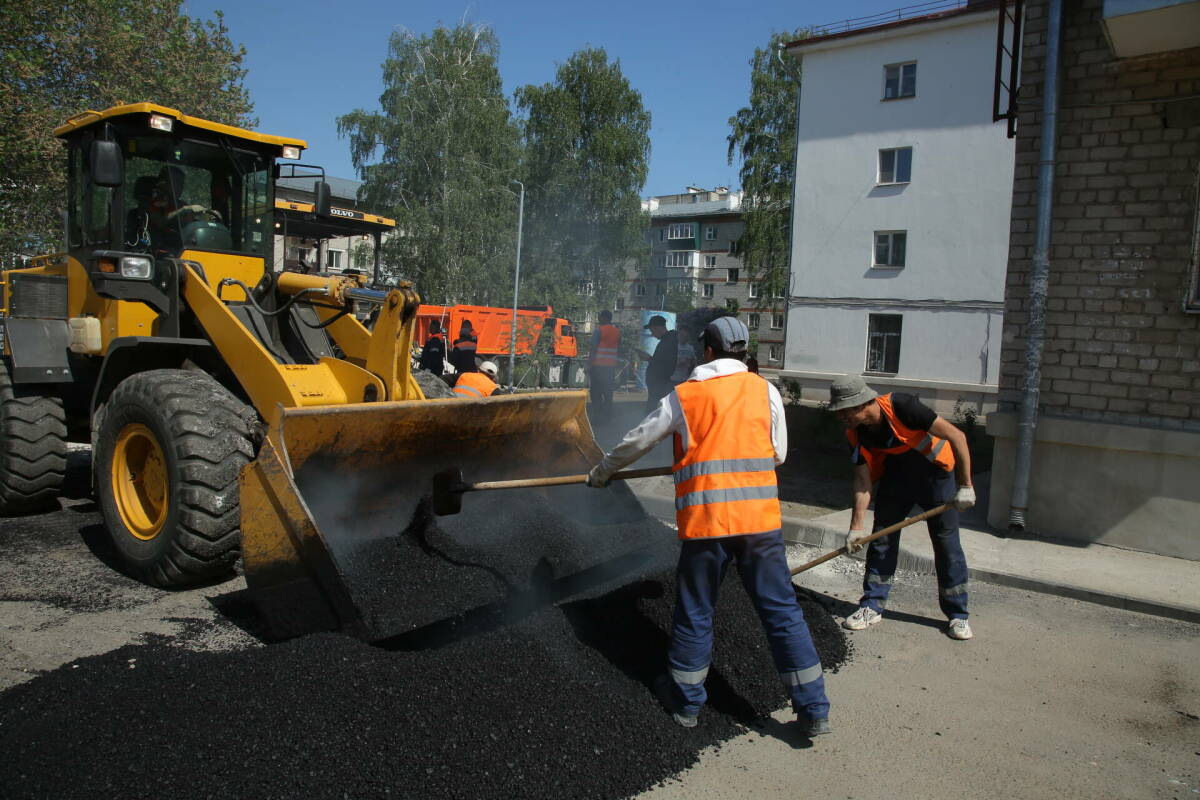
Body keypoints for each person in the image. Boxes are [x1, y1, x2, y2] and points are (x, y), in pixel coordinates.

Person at [586, 316, 832, 737]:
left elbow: (640, 438)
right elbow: (778, 454)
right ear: (743, 351)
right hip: (759, 525)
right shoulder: (765, 390)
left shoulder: (687, 396)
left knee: (697, 611)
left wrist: (604, 469)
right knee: (781, 610)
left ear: (708, 351)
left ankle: (686, 705)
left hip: (708, 524)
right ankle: (813, 709)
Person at [828, 375, 976, 641]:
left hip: (936, 476)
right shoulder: (855, 433)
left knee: (946, 544)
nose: (840, 417)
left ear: (861, 404)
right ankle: (871, 606)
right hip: (897, 478)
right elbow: (862, 482)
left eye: (842, 411)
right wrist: (856, 529)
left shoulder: (903, 406)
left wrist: (965, 485)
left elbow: (958, 436)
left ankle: (958, 615)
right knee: (882, 539)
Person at [588, 310, 620, 421]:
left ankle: (597, 416)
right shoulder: (617, 331)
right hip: (610, 367)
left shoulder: (599, 331)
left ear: (604, 318)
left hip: (598, 367)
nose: (598, 318)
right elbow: (618, 348)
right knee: (608, 393)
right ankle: (607, 416)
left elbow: (593, 349)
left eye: (599, 316)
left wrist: (588, 365)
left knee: (596, 393)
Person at [642, 315, 678, 412]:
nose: (652, 334)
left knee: (653, 413)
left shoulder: (669, 340)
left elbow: (664, 364)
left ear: (657, 328)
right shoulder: (666, 340)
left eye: (652, 330)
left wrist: (648, 358)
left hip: (661, 386)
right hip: (658, 386)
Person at [124, 176, 157, 250]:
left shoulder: (163, 218)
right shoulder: (133, 215)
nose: (143, 203)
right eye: (141, 198)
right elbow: (130, 240)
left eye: (147, 198)